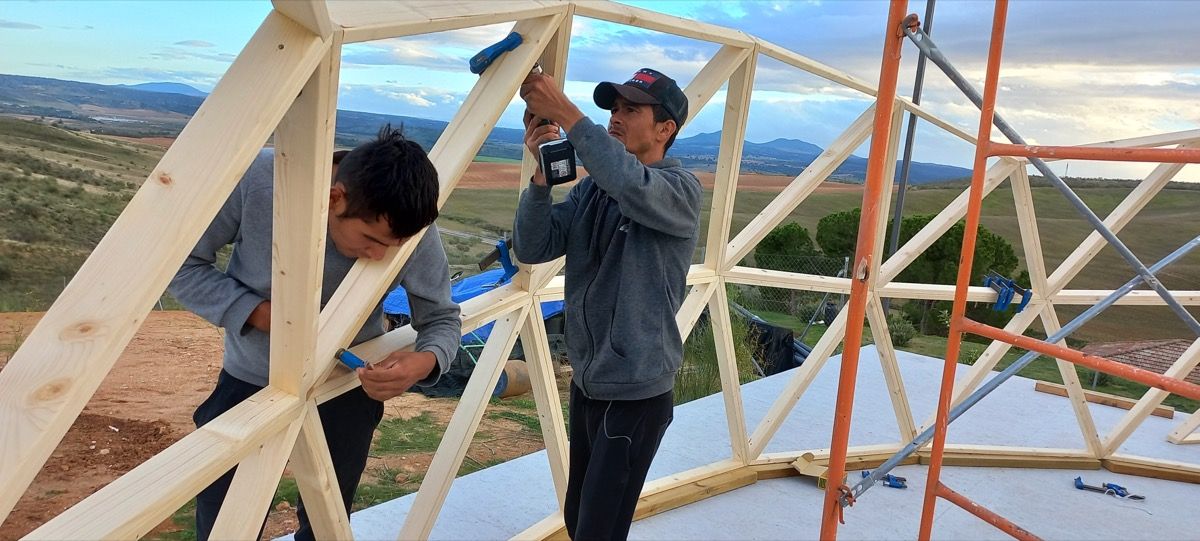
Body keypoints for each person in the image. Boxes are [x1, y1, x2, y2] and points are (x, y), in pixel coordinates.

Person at [168, 125, 462, 541]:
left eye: (393, 246)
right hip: (250, 383)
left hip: (345, 391)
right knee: (224, 521)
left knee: (326, 523)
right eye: (370, 239)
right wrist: (266, 317)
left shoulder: (409, 225)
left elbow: (442, 318)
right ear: (333, 198)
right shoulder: (265, 179)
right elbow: (182, 266)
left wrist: (424, 362)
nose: (380, 255)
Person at [514, 68, 701, 540]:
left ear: (665, 129)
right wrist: (540, 181)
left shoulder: (680, 191)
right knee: (579, 517)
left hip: (636, 392)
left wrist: (566, 113)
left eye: (630, 110)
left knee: (599, 529)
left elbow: (632, 185)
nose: (615, 117)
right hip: (590, 382)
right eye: (614, 109)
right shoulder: (593, 190)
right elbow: (534, 246)